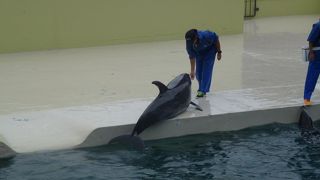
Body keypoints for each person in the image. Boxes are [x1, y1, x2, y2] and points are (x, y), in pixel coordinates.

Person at [185, 29, 222, 98]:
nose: (190, 43)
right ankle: (202, 87)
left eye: (192, 41)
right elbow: (192, 57)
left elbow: (216, 39)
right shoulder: (189, 43)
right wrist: (192, 71)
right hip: (199, 53)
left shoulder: (207, 35)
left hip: (210, 51)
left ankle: (202, 90)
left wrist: (219, 52)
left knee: (206, 71)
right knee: (198, 74)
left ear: (196, 38)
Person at [304, 18, 320, 106]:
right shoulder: (318, 26)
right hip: (317, 56)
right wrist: (311, 52)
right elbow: (311, 40)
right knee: (311, 78)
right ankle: (307, 98)